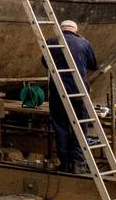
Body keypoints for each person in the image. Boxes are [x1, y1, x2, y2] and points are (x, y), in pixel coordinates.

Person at [42, 19, 98, 173]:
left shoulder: (51, 42)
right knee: (80, 127)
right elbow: (94, 65)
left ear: (60, 29)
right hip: (78, 91)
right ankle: (78, 164)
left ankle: (65, 163)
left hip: (58, 91)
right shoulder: (83, 43)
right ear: (75, 30)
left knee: (60, 126)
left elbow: (45, 62)